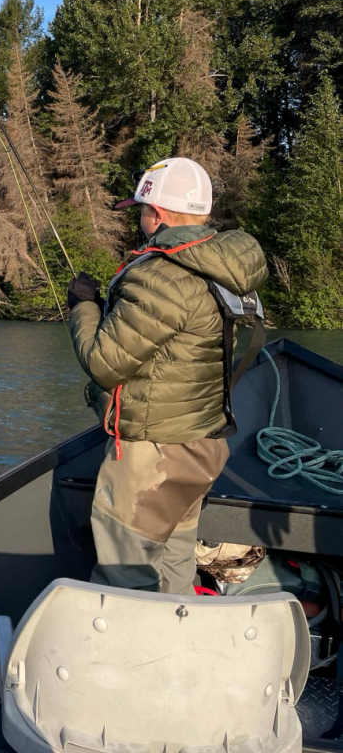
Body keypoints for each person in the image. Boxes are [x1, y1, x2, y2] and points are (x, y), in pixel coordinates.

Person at [66, 157, 268, 594]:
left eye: (141, 209)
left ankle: (134, 659)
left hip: (155, 456)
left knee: (126, 580)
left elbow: (104, 363)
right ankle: (179, 646)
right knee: (175, 561)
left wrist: (83, 305)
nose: (140, 219)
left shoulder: (160, 275)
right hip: (204, 443)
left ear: (156, 214)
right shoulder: (223, 264)